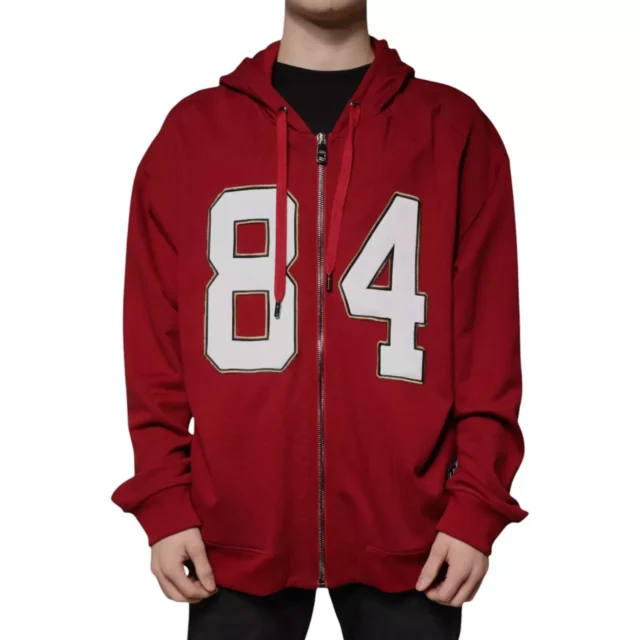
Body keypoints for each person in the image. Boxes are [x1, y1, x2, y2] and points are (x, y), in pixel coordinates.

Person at [112, 0, 527, 638]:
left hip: (417, 540)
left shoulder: (453, 131)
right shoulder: (191, 136)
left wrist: (475, 505)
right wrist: (164, 499)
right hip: (232, 536)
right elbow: (153, 339)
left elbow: (489, 342)